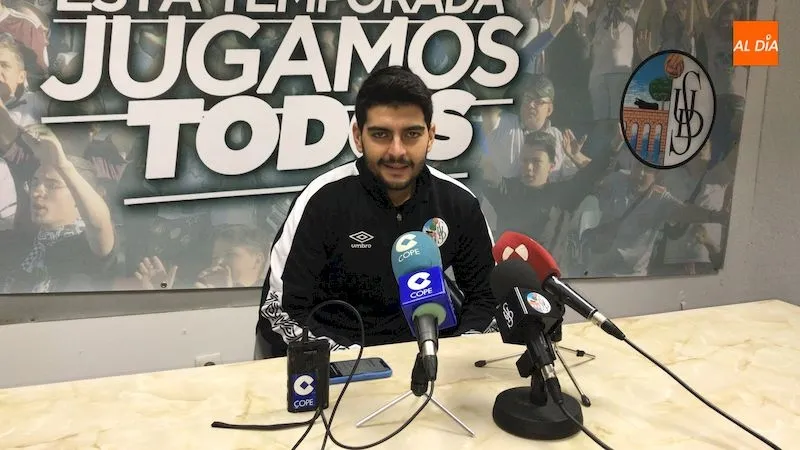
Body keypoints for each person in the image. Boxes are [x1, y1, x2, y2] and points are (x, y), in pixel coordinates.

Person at [255, 65, 496, 358]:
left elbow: (486, 298)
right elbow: (280, 311)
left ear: (430, 136)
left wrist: (459, 354)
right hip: (341, 367)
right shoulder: (321, 202)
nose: (397, 151)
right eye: (381, 134)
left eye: (411, 134)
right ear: (358, 136)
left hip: (432, 360)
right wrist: (354, 362)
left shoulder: (459, 203)